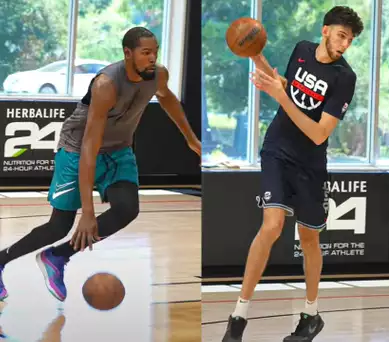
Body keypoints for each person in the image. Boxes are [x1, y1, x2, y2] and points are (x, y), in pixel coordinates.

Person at [0, 26, 201, 302]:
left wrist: (191, 139)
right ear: (128, 53)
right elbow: (89, 146)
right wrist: (88, 212)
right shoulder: (106, 84)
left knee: (127, 209)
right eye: (146, 53)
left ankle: (57, 257)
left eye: (155, 52)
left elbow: (167, 98)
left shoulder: (158, 75)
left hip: (119, 150)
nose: (153, 58)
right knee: (59, 227)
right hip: (77, 149)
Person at [222, 6, 363, 342]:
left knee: (309, 239)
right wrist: (255, 56)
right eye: (341, 35)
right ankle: (238, 316)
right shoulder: (301, 49)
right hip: (277, 149)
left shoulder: (345, 78)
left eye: (351, 40)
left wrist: (280, 94)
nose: (345, 44)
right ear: (326, 30)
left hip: (311, 163)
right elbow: (285, 88)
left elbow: (318, 133)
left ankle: (310, 315)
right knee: (271, 225)